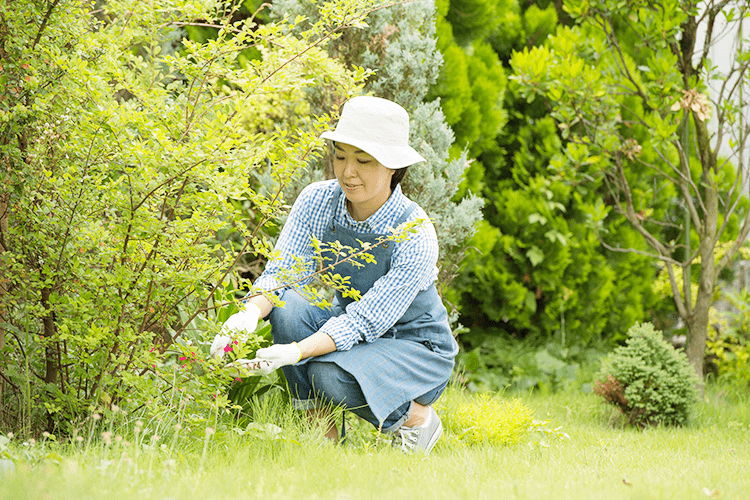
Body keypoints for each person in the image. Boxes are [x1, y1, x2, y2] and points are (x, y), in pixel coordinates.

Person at [210, 96, 458, 454]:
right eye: (340, 155)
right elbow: (283, 274)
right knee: (287, 306)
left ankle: (415, 419)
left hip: (416, 349)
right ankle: (321, 433)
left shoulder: (415, 231)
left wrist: (295, 352)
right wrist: (245, 315)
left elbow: (365, 321)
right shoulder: (317, 201)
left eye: (363, 160)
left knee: (327, 374)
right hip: (355, 334)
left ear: (393, 167)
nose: (347, 172)